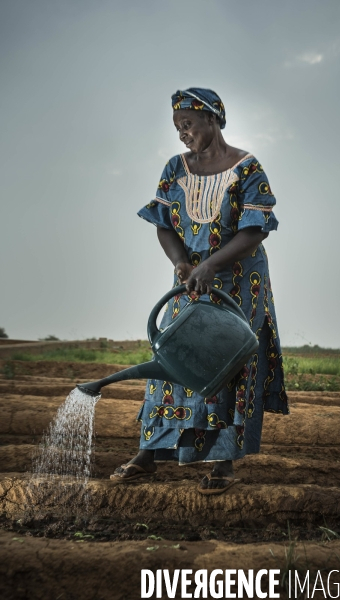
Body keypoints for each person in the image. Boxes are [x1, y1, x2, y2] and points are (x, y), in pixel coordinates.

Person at [110, 88, 289, 494]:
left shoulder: (247, 167)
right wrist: (182, 264)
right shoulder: (175, 167)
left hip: (240, 283)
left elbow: (256, 229)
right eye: (177, 128)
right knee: (172, 357)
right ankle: (149, 452)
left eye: (187, 124)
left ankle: (222, 463)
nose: (182, 134)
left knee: (228, 364)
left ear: (212, 119)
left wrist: (212, 264)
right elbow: (163, 223)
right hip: (190, 280)